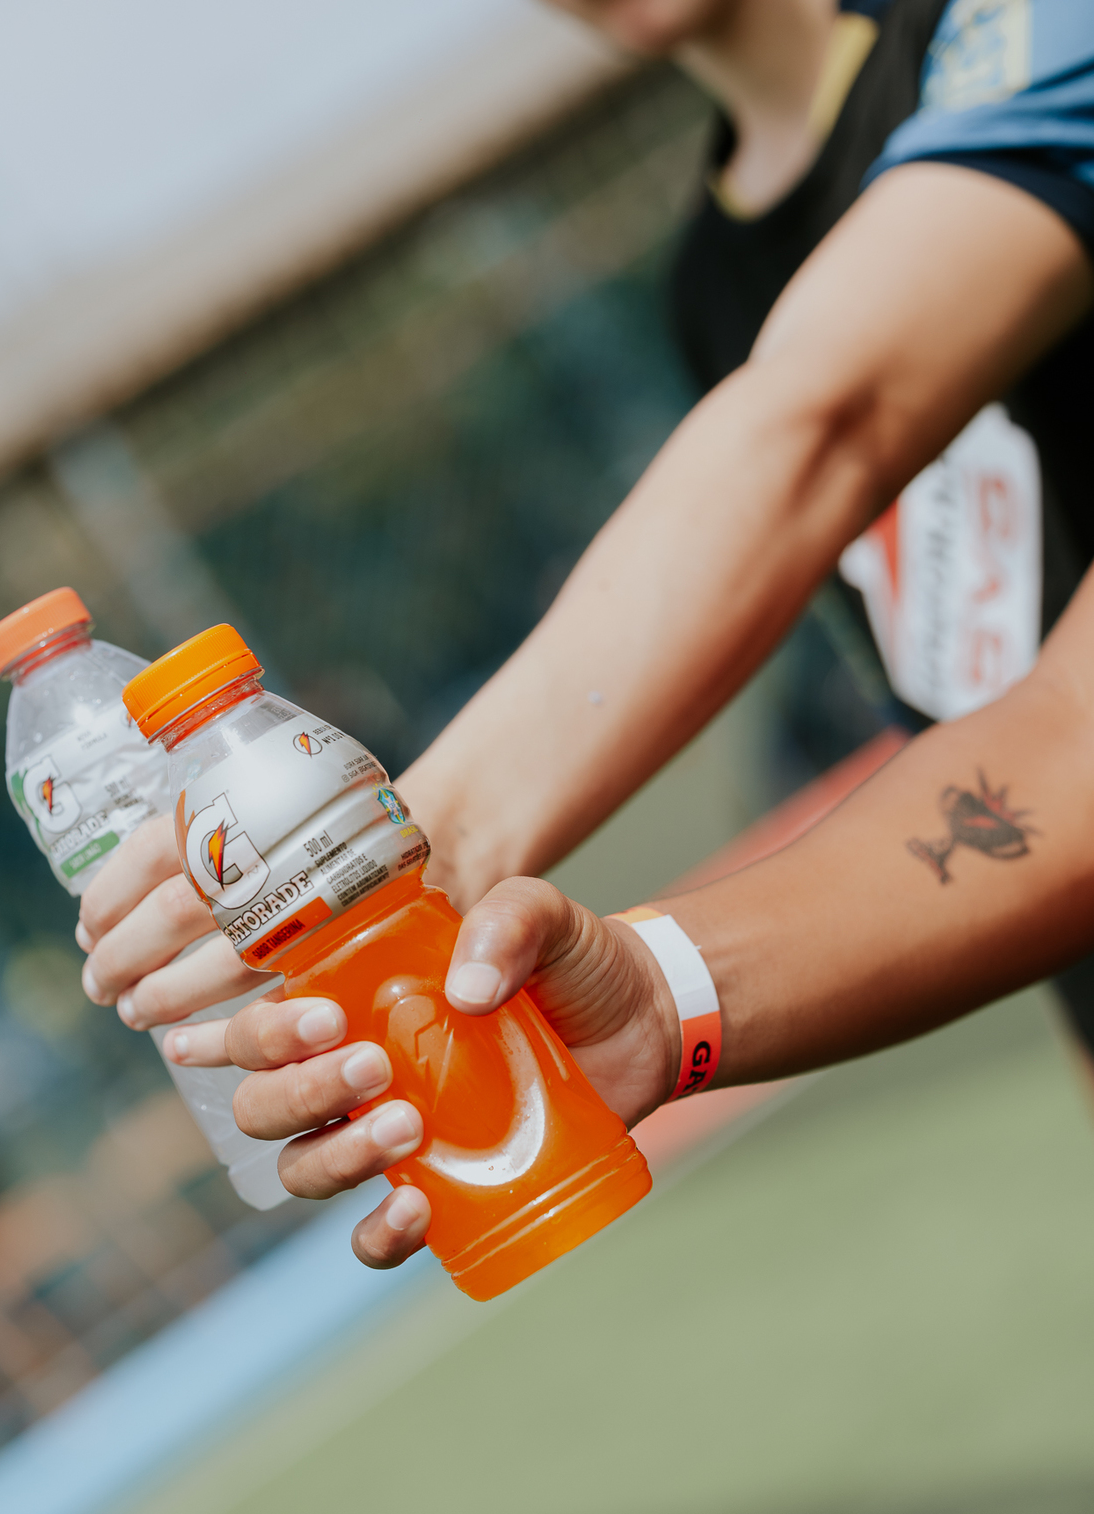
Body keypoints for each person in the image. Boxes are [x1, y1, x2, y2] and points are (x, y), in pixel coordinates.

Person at [73, 0, 1094, 1267]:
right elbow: (1059, 730)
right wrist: (646, 988)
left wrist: (429, 831)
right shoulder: (716, 285)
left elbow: (825, 422)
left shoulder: (1028, 36)